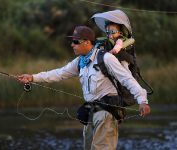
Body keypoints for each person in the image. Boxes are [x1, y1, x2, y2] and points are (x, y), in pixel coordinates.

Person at [16, 25, 150, 150]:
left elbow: (127, 79)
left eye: (75, 42)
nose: (72, 45)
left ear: (87, 42)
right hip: (91, 111)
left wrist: (142, 100)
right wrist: (32, 77)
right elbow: (59, 73)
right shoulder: (80, 61)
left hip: (107, 112)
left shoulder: (106, 58)